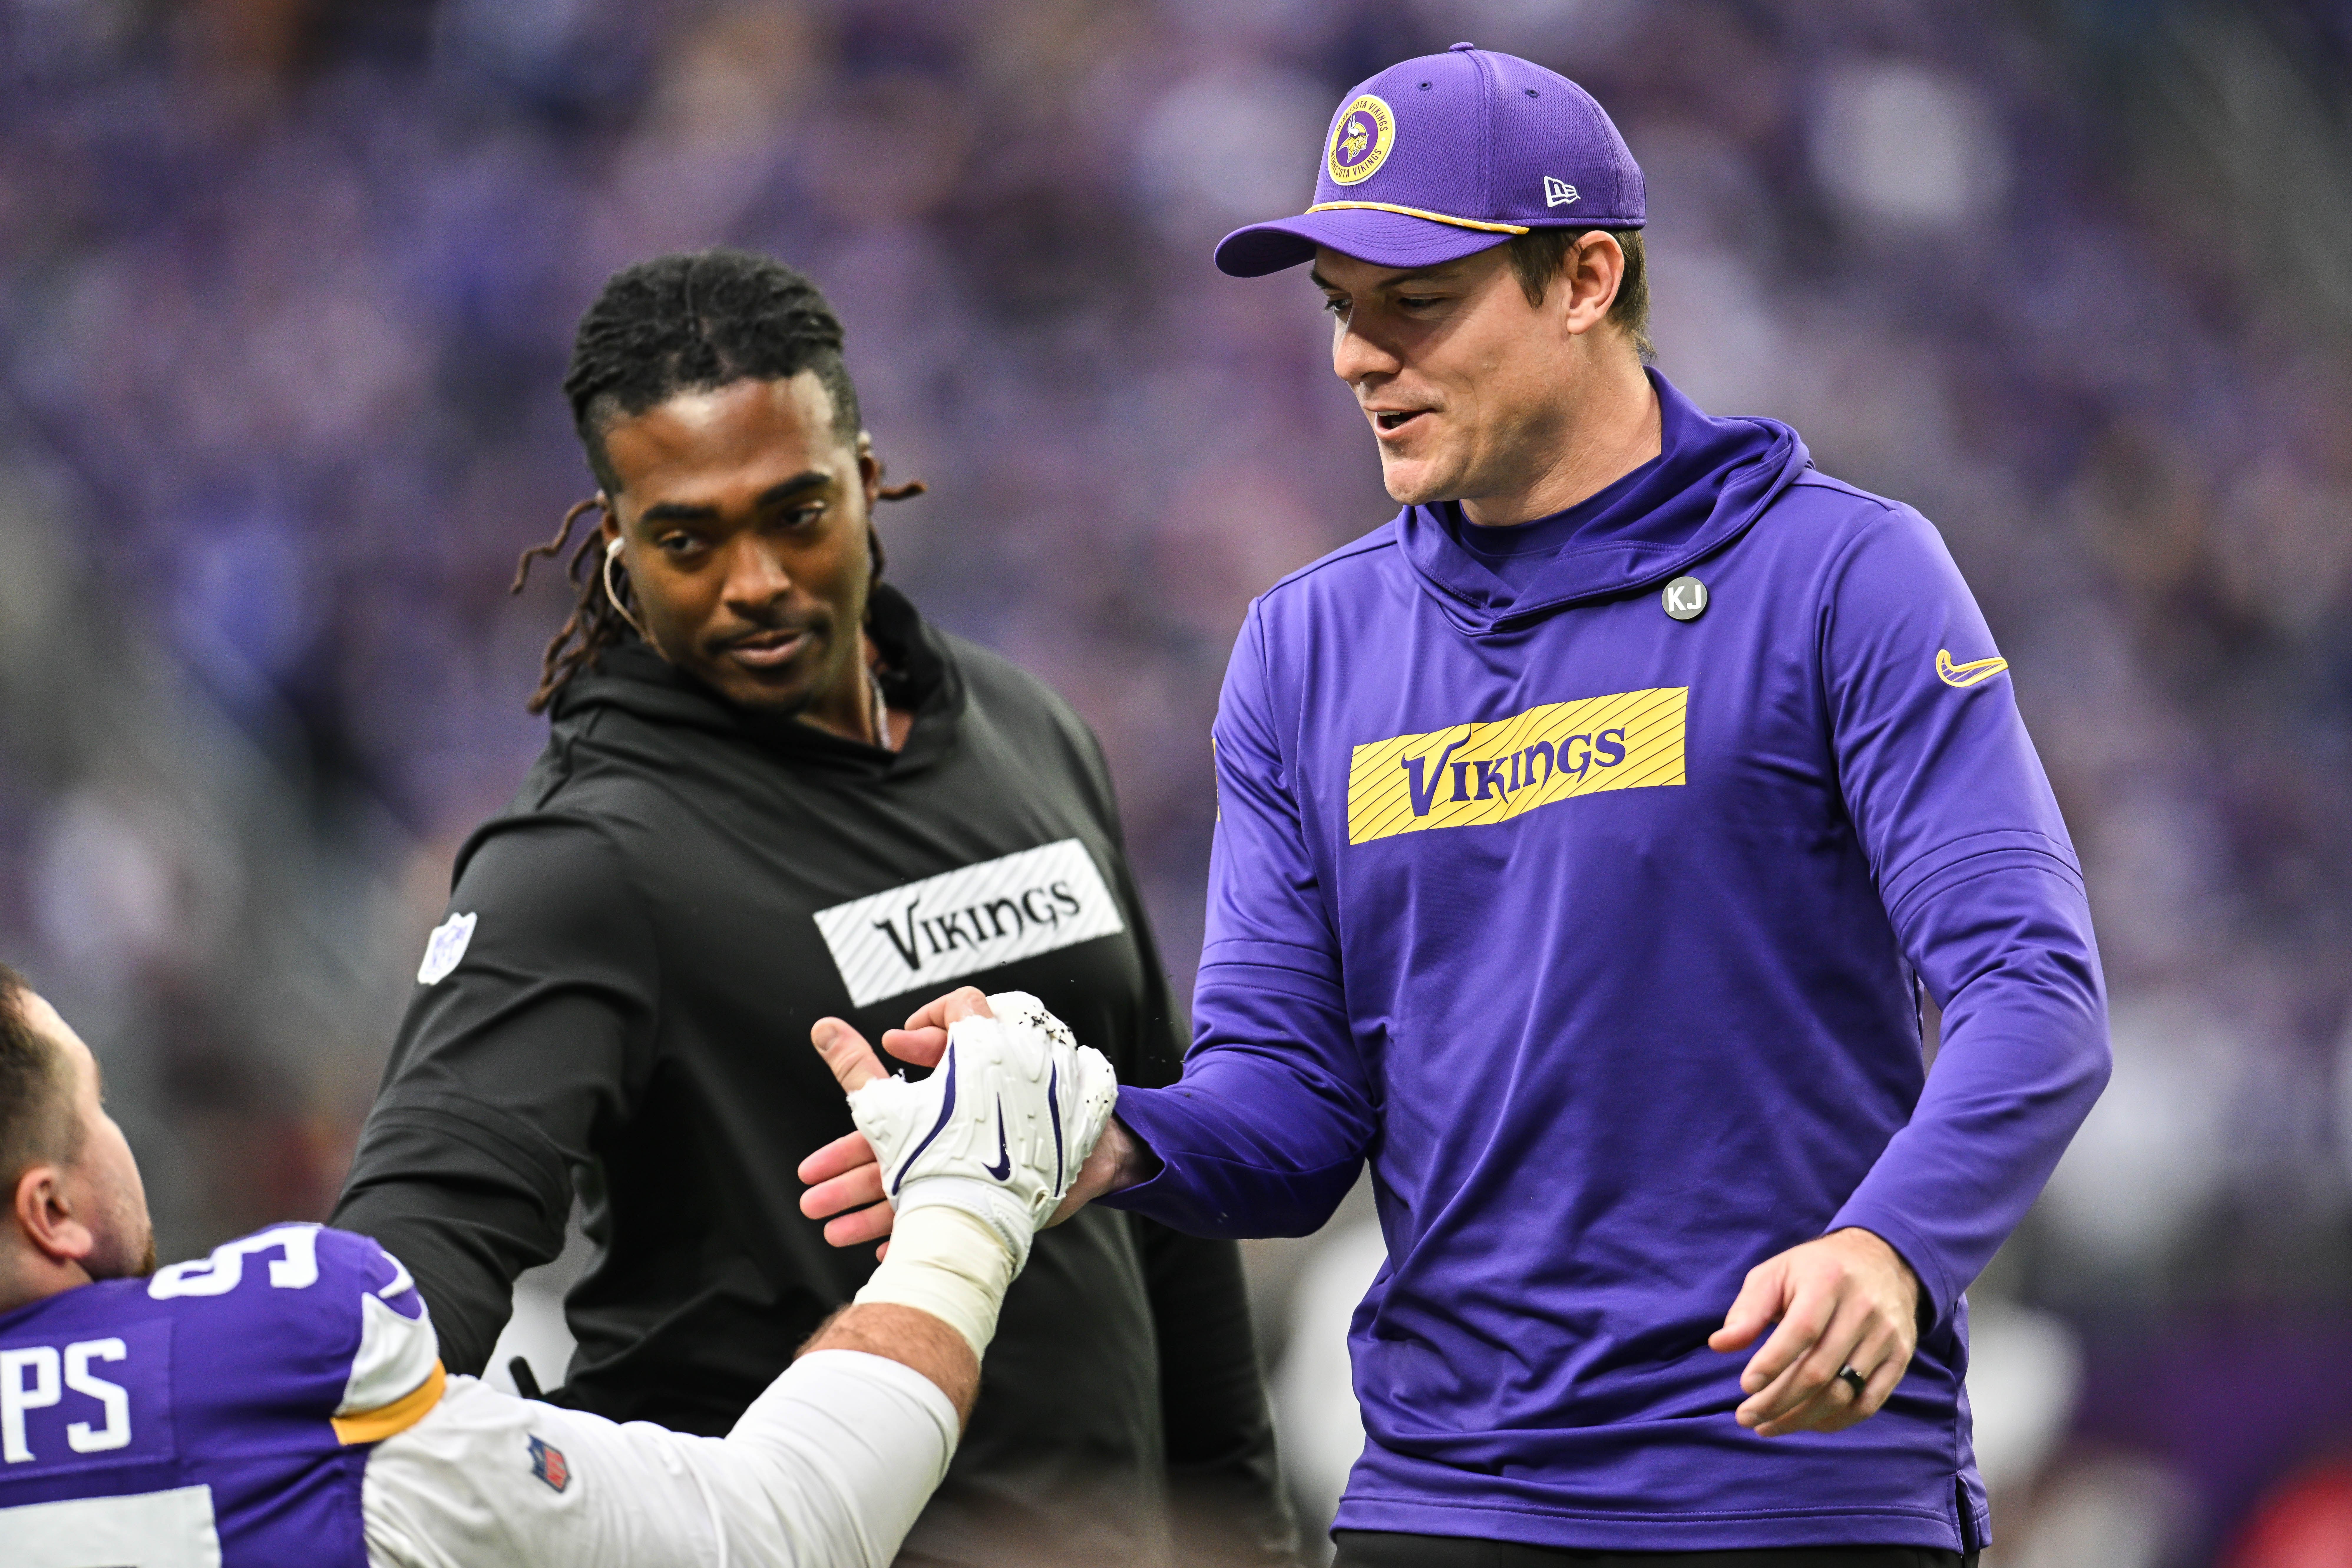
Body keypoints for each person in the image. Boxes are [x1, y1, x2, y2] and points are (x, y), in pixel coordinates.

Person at [804, 44, 2111, 1568]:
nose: (1359, 356)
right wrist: (1101, 1136)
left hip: (1792, 1491)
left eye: (1413, 302)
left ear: (1584, 278)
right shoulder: (1308, 646)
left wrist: (1895, 1244)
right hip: (1445, 1500)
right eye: (1339, 310)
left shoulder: (1842, 578)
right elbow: (1290, 1116)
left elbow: (2034, 990)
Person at [328, 249, 1294, 1568]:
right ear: (612, 538)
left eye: (795, 511)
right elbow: (419, 1240)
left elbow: (1161, 1200)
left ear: (867, 474)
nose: (756, 581)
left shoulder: (1026, 729)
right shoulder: (581, 861)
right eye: (687, 537)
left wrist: (1245, 1532)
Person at [0, 963, 1115, 1566]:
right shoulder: (264, 1369)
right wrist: (968, 1208)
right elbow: (783, 1530)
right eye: (94, 1106)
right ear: (51, 1211)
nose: (116, 1131)